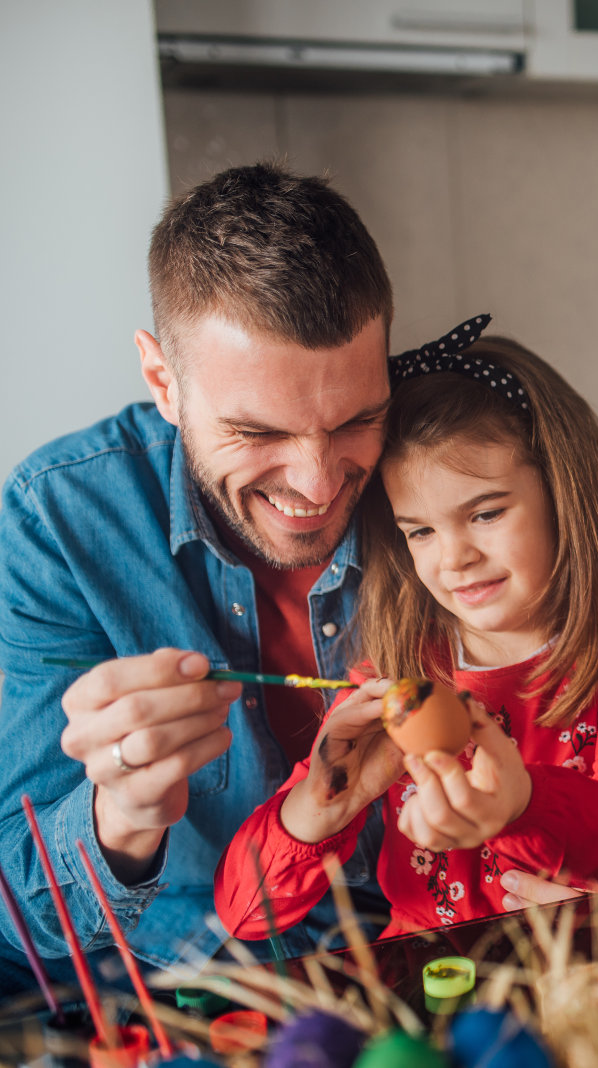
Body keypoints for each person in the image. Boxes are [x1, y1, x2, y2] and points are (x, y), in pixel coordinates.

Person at [0, 163, 394, 983]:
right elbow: (18, 917)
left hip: (422, 950)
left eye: (358, 419)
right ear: (162, 381)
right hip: (184, 985)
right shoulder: (59, 520)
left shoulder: (439, 458)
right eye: (258, 432)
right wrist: (122, 818)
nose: (319, 485)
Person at [216, 334, 598, 937]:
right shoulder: (393, 682)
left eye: (486, 514)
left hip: (575, 977)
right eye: (421, 532)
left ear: (563, 498)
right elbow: (245, 917)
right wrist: (322, 803)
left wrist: (521, 804)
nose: (455, 558)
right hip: (426, 977)